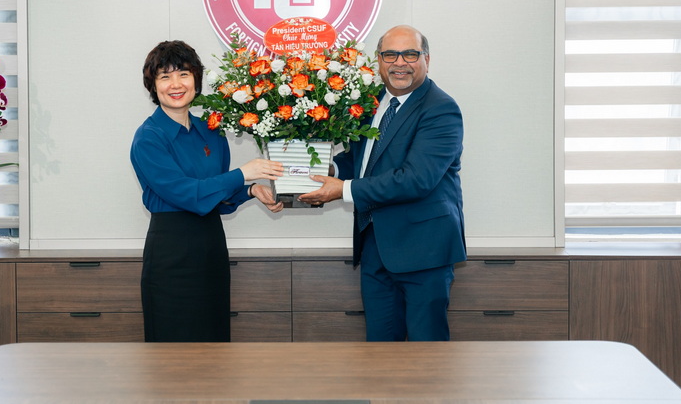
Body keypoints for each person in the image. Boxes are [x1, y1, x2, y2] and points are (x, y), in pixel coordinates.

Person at [298, 25, 466, 341]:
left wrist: (342, 190)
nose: (399, 63)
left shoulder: (441, 109)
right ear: (378, 60)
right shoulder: (370, 101)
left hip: (424, 251)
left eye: (410, 54)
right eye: (390, 54)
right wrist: (328, 171)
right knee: (380, 349)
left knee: (426, 351)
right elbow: (362, 160)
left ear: (427, 59)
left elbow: (416, 179)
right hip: (375, 246)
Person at [130, 40, 284, 342]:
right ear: (153, 86)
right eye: (165, 76)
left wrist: (251, 190)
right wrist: (242, 174)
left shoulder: (212, 132)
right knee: (172, 351)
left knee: (214, 347)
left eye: (184, 74)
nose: (176, 84)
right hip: (171, 253)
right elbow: (187, 194)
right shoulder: (148, 137)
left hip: (211, 248)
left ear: (196, 80)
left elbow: (217, 198)